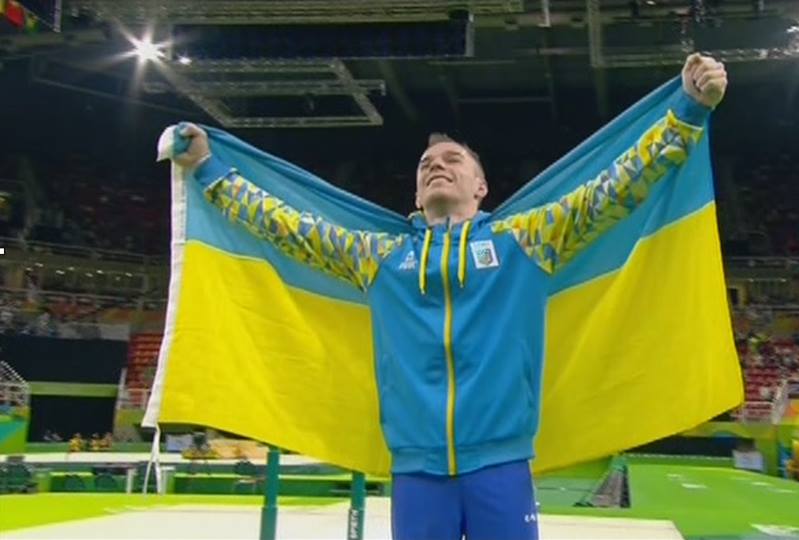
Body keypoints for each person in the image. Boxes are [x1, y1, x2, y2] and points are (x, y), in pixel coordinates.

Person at [172, 53, 727, 540]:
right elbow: (288, 228)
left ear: (481, 187)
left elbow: (618, 185)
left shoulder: (527, 240)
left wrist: (689, 109)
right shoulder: (378, 256)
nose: (436, 165)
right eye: (426, 166)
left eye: (452, 160)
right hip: (417, 471)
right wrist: (208, 169)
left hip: (501, 464)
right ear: (416, 194)